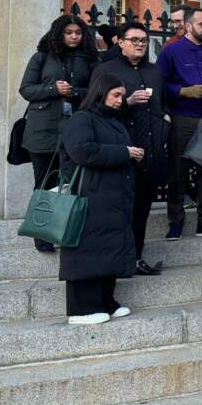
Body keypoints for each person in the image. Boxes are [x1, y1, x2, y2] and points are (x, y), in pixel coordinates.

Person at [60, 72, 140, 325]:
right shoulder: (82, 119)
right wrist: (124, 152)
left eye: (122, 96)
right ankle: (81, 309)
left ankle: (106, 301)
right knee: (87, 252)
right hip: (89, 197)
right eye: (116, 95)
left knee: (107, 251)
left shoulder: (112, 121)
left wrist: (130, 154)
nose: (120, 100)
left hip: (111, 197)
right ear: (100, 92)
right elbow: (82, 151)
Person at [19, 13, 99, 252]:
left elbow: (98, 90)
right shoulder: (42, 57)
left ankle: (70, 228)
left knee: (75, 182)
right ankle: (42, 233)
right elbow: (26, 89)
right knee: (45, 180)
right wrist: (52, 89)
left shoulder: (90, 59)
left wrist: (75, 92)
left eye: (78, 32)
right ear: (59, 33)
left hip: (77, 129)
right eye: (69, 32)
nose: (74, 37)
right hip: (43, 129)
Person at [97, 22, 168, 275]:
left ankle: (136, 258)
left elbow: (164, 106)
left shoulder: (155, 71)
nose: (140, 44)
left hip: (149, 153)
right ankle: (117, 261)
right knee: (119, 213)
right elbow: (95, 109)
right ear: (121, 42)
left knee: (142, 212)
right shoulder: (106, 70)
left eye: (143, 40)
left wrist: (165, 126)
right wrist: (126, 101)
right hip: (120, 154)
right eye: (134, 39)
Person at [155, 9, 202, 240]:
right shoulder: (171, 51)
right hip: (182, 117)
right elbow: (158, 82)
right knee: (178, 171)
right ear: (188, 27)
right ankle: (175, 222)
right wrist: (182, 91)